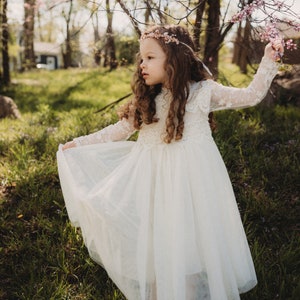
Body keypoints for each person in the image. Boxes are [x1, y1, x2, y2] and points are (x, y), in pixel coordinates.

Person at [57, 25, 284, 300]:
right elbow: (117, 131)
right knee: (158, 247)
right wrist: (78, 144)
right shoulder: (147, 100)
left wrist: (268, 61)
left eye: (151, 57)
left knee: (187, 245)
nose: (142, 64)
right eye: (141, 58)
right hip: (152, 183)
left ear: (175, 57)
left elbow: (250, 96)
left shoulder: (202, 92)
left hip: (191, 184)